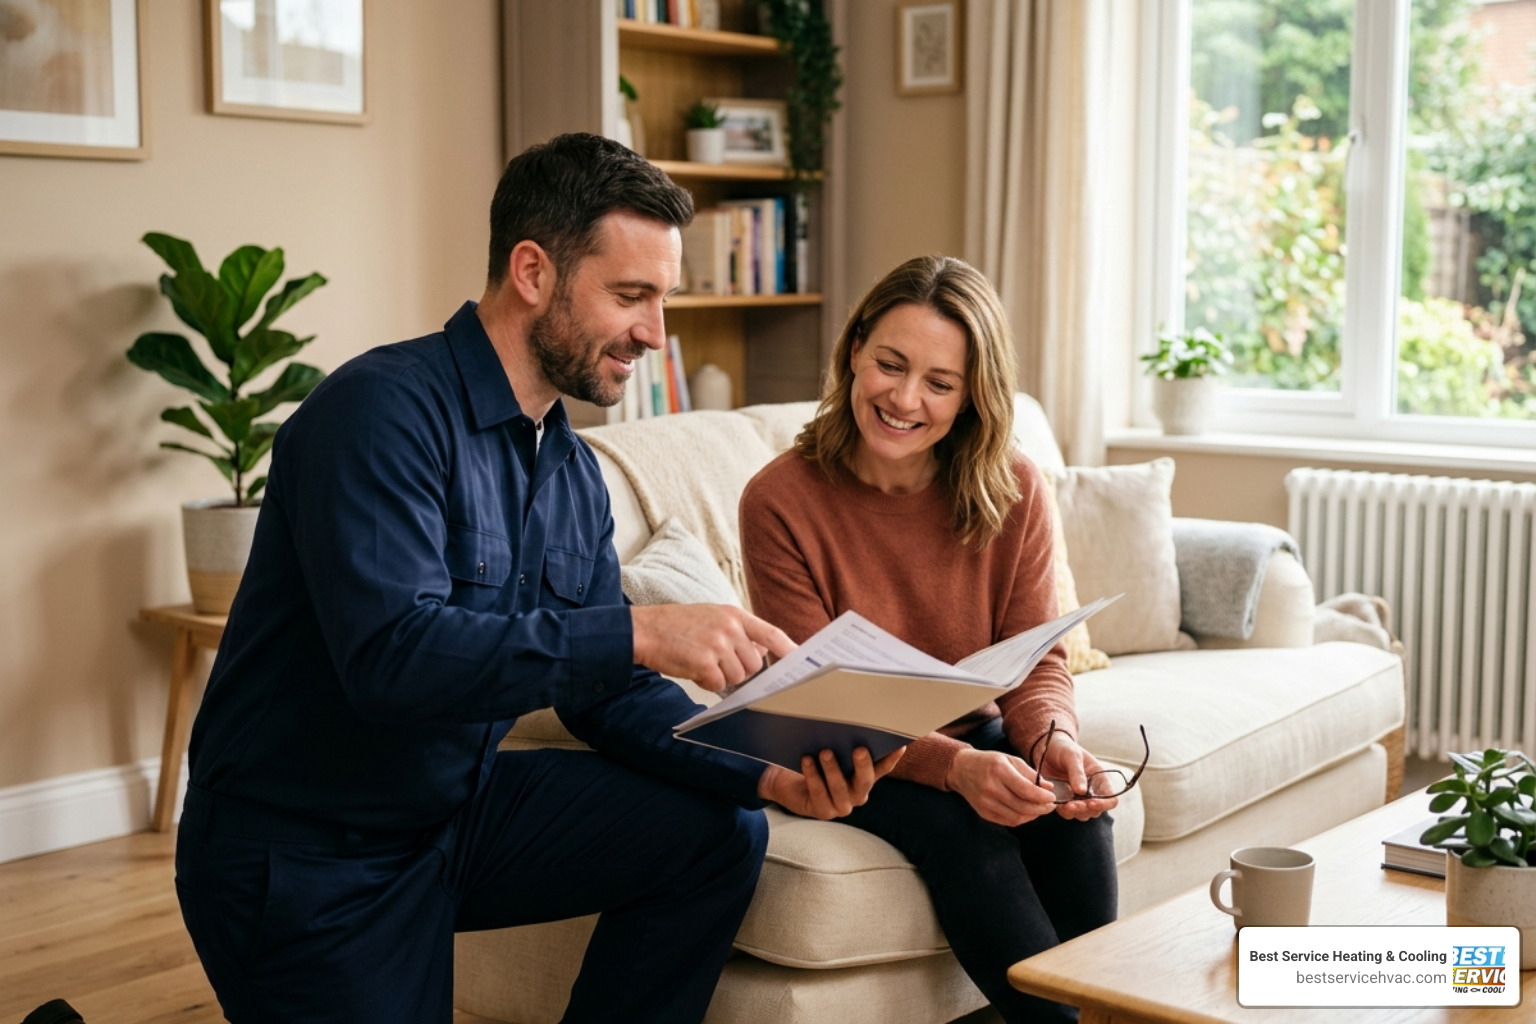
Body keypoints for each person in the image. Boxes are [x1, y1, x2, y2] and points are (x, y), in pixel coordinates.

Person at [174, 132, 900, 1024]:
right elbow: (394, 660)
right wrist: (643, 628)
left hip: (453, 818)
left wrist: (763, 771)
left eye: (662, 300)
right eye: (631, 295)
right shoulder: (375, 415)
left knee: (713, 833)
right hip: (305, 856)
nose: (654, 333)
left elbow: (609, 698)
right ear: (531, 272)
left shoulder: (568, 467)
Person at [739, 255, 1123, 1023]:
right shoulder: (779, 499)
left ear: (972, 396)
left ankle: (1109, 1012)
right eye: (889, 364)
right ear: (854, 351)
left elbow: (1036, 658)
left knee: (1078, 819)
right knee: (966, 832)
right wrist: (957, 770)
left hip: (971, 727)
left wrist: (1052, 744)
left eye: (939, 383)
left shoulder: (1012, 487)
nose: (904, 398)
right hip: (849, 752)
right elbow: (823, 702)